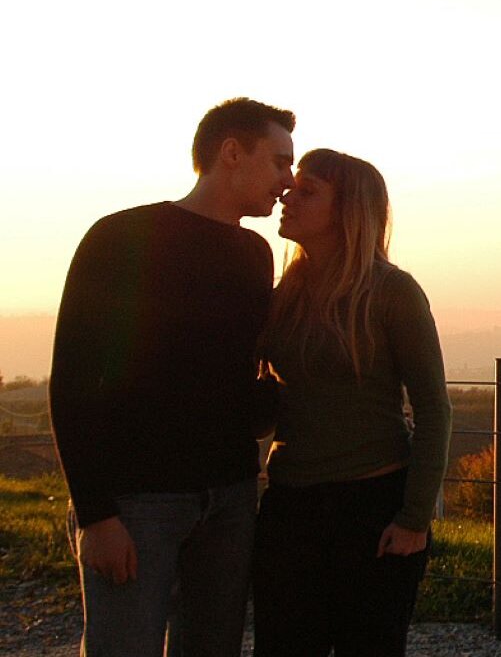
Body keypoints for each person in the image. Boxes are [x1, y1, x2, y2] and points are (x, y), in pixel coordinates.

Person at [50, 97, 297, 657]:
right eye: (280, 161)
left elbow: (236, 378)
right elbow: (71, 382)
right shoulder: (121, 238)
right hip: (137, 504)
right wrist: (96, 516)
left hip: (230, 501)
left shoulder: (257, 253)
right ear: (232, 152)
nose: (288, 179)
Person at [252, 149, 451, 657]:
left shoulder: (392, 293)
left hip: (372, 508)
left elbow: (433, 409)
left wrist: (413, 519)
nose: (287, 197)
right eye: (292, 186)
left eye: (308, 190)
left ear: (348, 212)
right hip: (289, 506)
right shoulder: (283, 295)